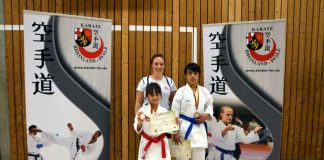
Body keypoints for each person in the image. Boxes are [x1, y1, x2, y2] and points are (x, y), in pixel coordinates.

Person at [172, 63, 214, 160]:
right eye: (190, 73)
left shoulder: (204, 92)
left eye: (195, 73)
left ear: (199, 75)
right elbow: (174, 112)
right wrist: (175, 132)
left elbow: (210, 106)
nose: (193, 76)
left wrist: (207, 115)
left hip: (200, 132)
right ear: (186, 75)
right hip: (184, 131)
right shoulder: (181, 91)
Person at [134, 83, 173, 160]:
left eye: (157, 94)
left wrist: (175, 123)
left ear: (160, 95)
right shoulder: (142, 111)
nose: (155, 97)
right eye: (152, 95)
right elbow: (137, 130)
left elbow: (171, 131)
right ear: (147, 96)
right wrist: (139, 122)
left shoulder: (165, 111)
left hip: (161, 144)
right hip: (147, 143)